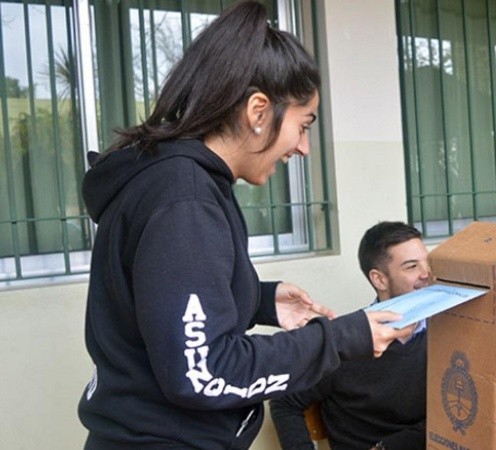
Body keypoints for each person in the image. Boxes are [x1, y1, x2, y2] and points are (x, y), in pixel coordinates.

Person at [77, 4, 412, 449]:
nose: (304, 147)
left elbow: (165, 298)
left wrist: (259, 299)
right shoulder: (185, 201)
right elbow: (205, 373)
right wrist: (342, 337)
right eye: (303, 125)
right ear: (258, 111)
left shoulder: (175, 180)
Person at [270, 221, 429, 450]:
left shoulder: (446, 333)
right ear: (379, 279)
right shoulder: (344, 341)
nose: (427, 274)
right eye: (412, 266)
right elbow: (285, 402)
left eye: (427, 262)